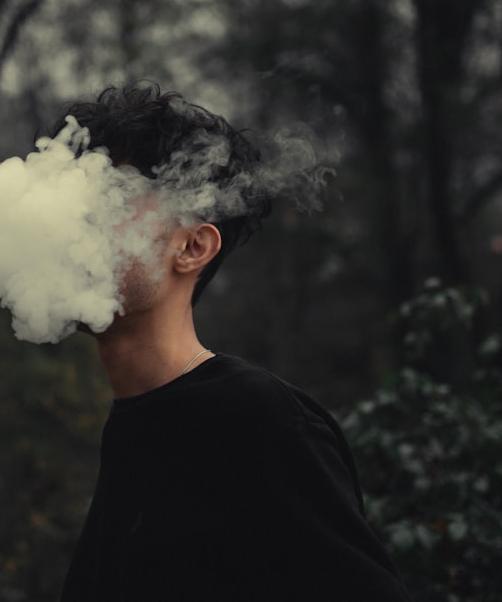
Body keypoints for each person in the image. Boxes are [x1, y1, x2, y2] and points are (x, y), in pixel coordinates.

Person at [52, 82, 413, 601]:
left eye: (114, 198)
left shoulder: (258, 421)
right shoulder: (134, 420)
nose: (77, 223)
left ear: (193, 247)